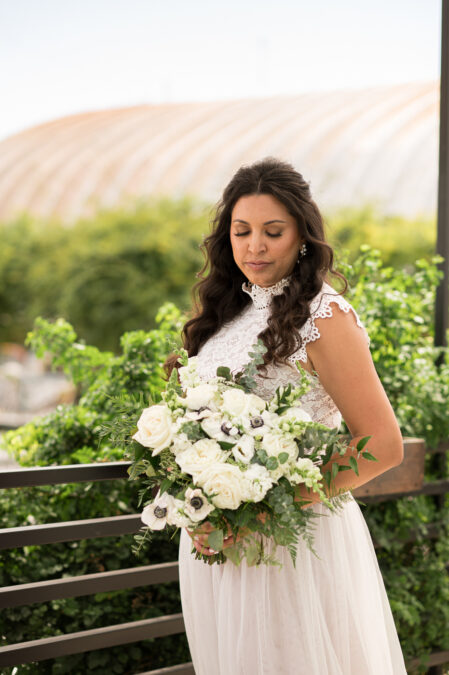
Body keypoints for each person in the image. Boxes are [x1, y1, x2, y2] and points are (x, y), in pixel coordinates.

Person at [166, 157, 407, 674]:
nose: (255, 246)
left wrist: (262, 508)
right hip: (216, 550)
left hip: (293, 543)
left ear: (302, 236)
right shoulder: (223, 316)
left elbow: (384, 444)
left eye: (273, 232)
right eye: (242, 231)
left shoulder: (326, 317)